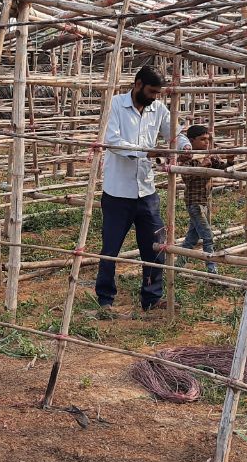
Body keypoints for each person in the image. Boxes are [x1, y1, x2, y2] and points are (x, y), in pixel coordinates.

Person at [96, 65, 171, 316]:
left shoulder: (158, 109)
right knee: (111, 248)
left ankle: (152, 297)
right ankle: (105, 299)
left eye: (158, 93)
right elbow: (113, 142)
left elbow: (174, 134)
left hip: (146, 190)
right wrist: (147, 151)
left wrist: (187, 145)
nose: (154, 97)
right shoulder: (116, 105)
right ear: (138, 84)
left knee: (155, 246)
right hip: (118, 192)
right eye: (151, 91)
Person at [174, 124, 232, 275]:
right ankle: (212, 269)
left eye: (208, 139)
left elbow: (224, 169)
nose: (206, 142)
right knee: (208, 236)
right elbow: (186, 177)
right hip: (194, 204)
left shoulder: (209, 156)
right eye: (202, 139)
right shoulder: (186, 158)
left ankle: (177, 267)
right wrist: (201, 165)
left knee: (191, 239)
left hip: (204, 202)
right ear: (191, 141)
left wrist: (230, 161)